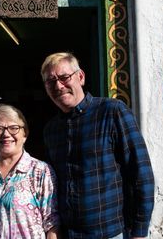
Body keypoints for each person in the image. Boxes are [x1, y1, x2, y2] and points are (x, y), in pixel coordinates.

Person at [40, 52, 155, 238]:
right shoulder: (51, 130)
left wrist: (140, 232)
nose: (58, 86)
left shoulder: (112, 112)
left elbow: (141, 173)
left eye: (64, 77)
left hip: (109, 233)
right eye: (50, 81)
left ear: (81, 77)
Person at [0, 104, 60, 238]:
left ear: (25, 133)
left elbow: (52, 224)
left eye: (14, 128)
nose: (6, 134)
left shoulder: (40, 172)